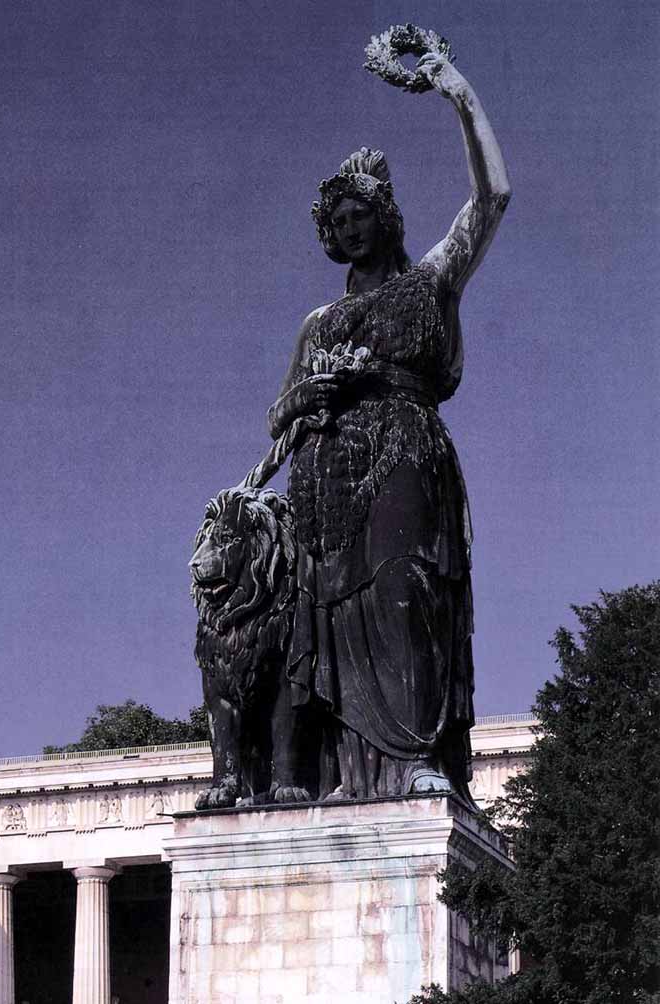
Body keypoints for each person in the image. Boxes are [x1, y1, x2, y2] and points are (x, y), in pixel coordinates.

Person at [267, 53, 511, 801]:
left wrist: (457, 92)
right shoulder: (319, 321)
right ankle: (352, 774)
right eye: (338, 220)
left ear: (386, 217)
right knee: (333, 615)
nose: (350, 228)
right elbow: (277, 416)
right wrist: (309, 393)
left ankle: (417, 755)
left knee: (405, 588)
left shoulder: (429, 280)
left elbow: (493, 196)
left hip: (406, 447)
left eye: (360, 214)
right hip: (327, 476)